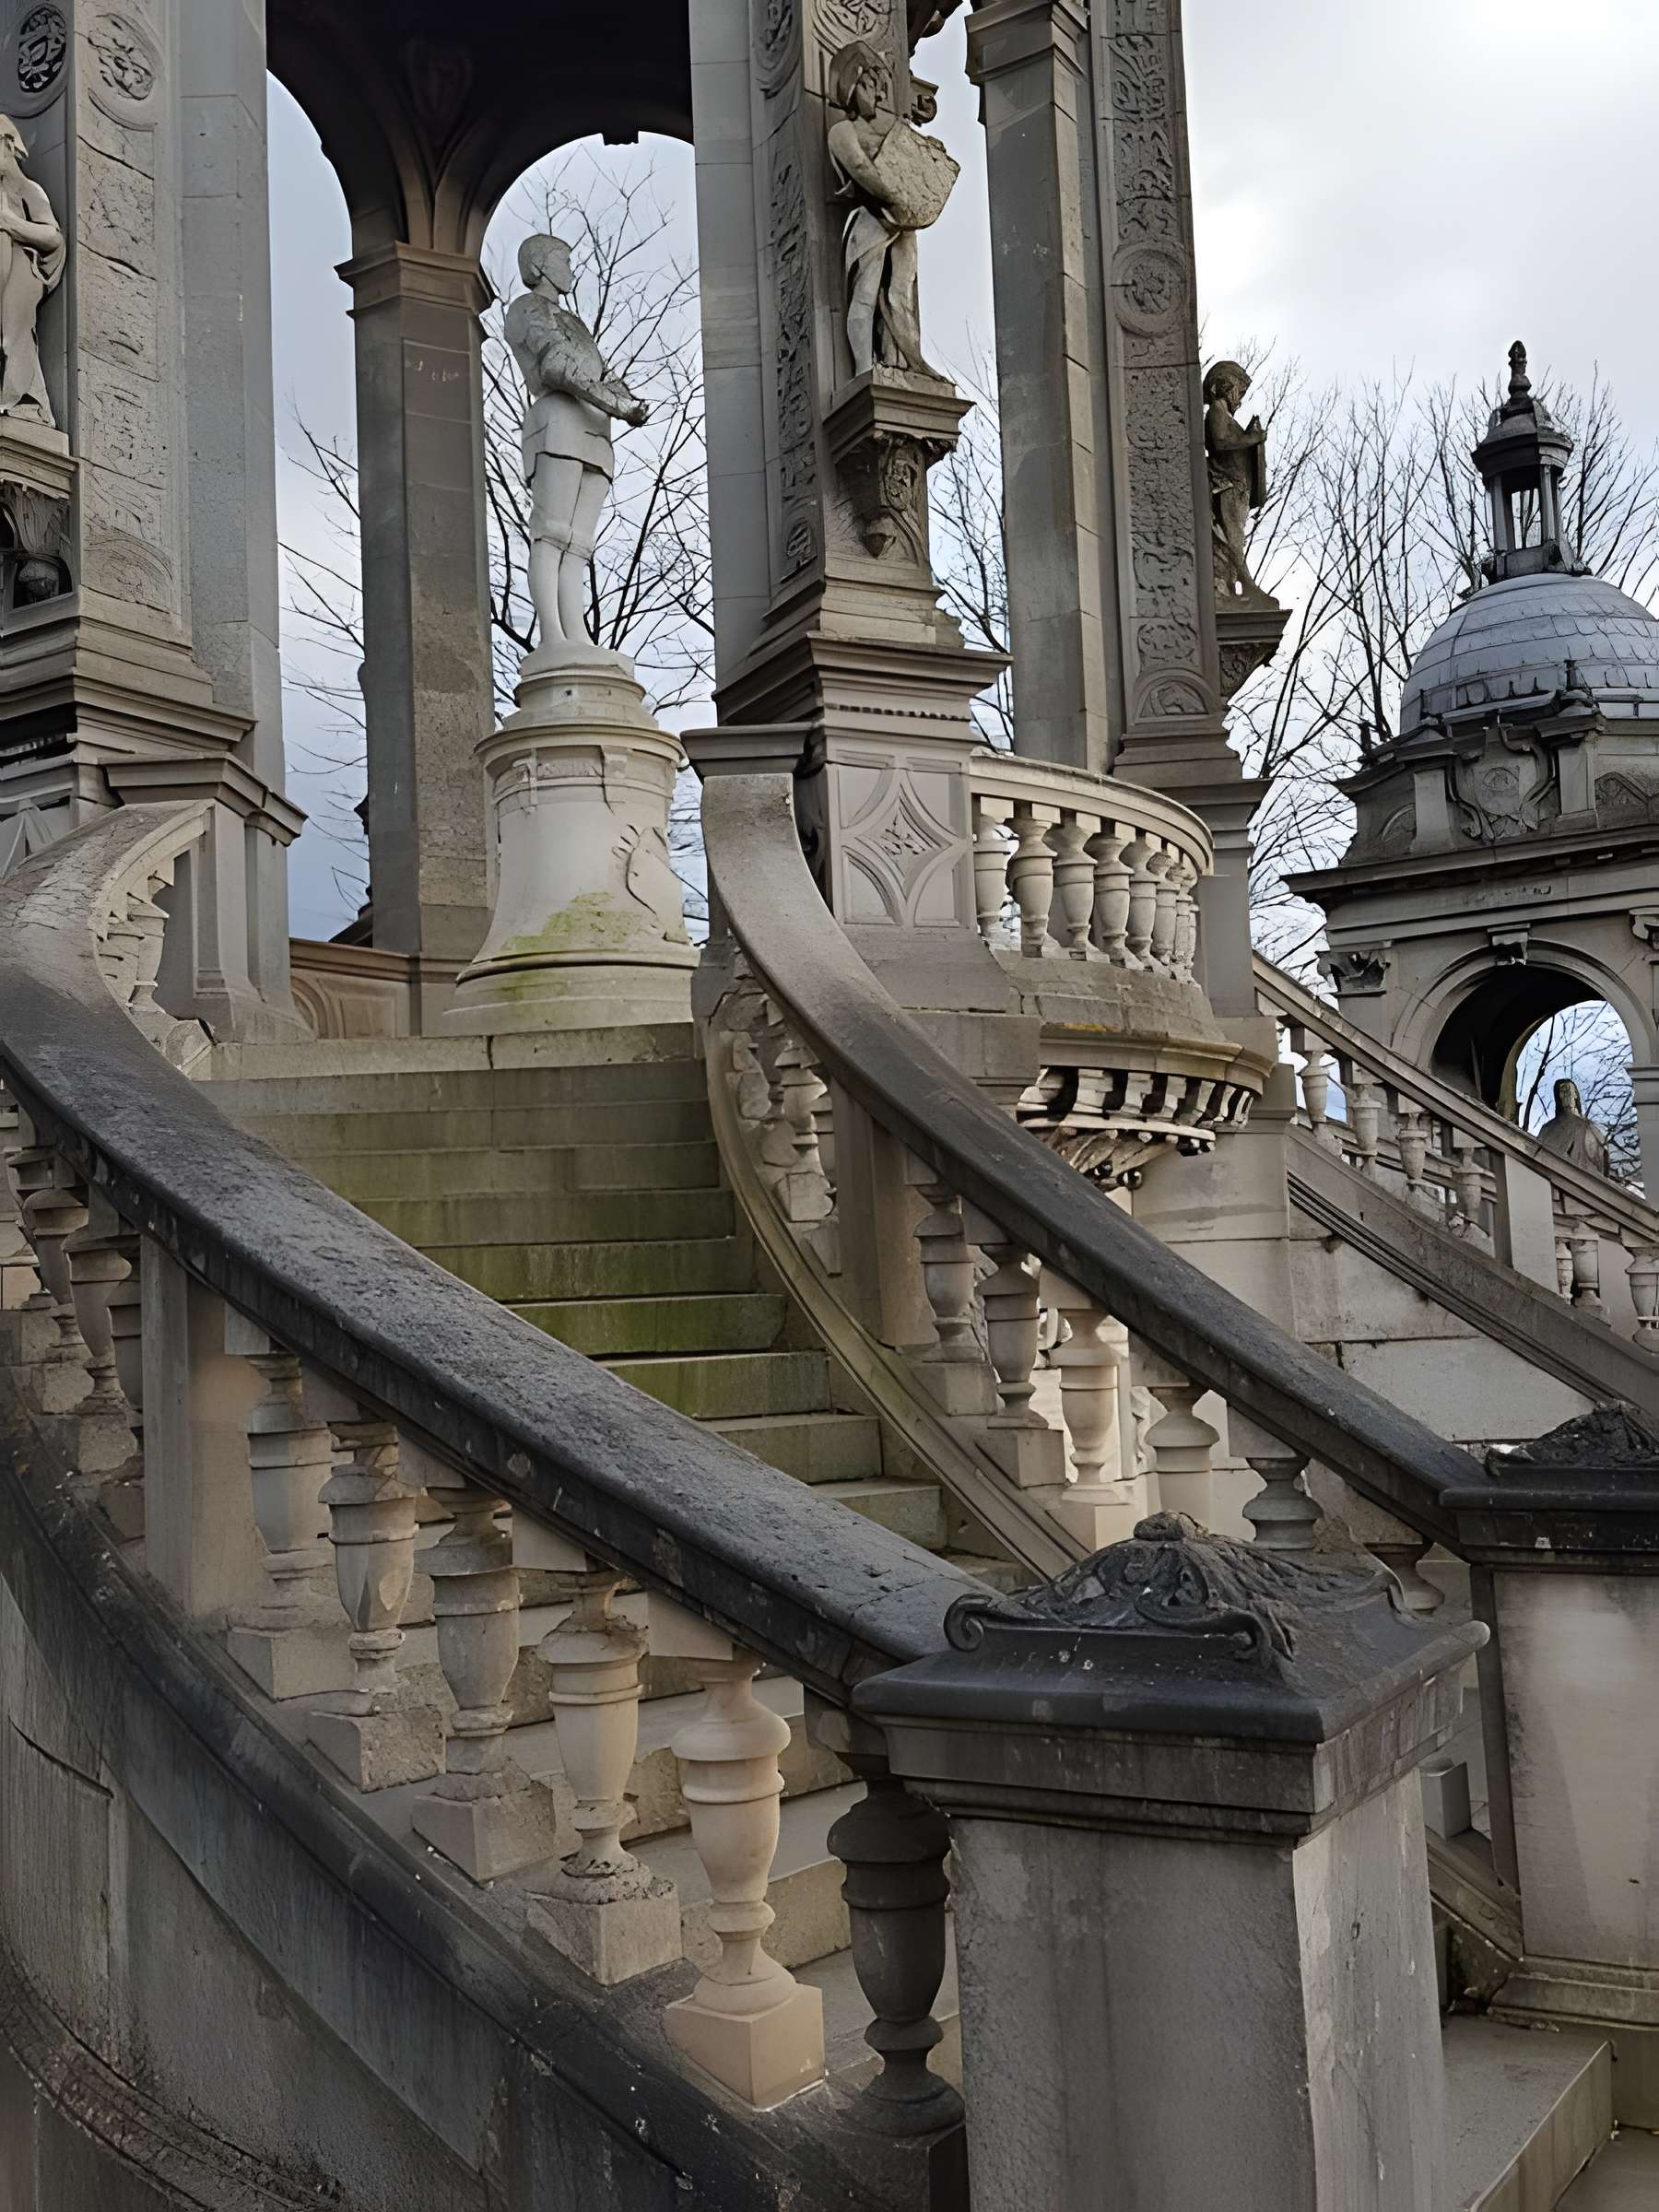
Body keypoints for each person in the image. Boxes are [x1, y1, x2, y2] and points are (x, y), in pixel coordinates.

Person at [503, 234, 648, 653]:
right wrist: (616, 404)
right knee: (551, 532)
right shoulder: (526, 309)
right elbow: (554, 365)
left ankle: (577, 635)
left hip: (595, 430)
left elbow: (599, 374)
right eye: (563, 260)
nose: (571, 269)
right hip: (558, 423)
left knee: (580, 542)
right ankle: (552, 635)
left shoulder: (576, 322)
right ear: (542, 265)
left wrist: (626, 400)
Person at [827, 42, 950, 381]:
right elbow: (861, 170)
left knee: (902, 294)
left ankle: (907, 362)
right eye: (872, 85)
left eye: (881, 87)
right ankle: (865, 370)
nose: (879, 96)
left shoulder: (891, 126)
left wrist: (931, 156)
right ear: (853, 85)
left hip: (904, 221)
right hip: (871, 217)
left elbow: (913, 163)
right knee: (865, 295)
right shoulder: (843, 131)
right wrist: (896, 197)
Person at [0, 115, 64, 425]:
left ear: (7, 146)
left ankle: (28, 400)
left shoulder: (27, 189)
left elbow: (51, 236)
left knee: (14, 332)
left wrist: (11, 223)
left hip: (22, 271)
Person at [1204, 359, 1270, 605]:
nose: (1239, 399)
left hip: (1237, 489)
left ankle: (1231, 587)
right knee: (1233, 539)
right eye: (1238, 391)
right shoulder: (1216, 412)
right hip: (1226, 486)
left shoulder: (1223, 413)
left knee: (1235, 538)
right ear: (1222, 386)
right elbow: (1221, 442)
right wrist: (1251, 439)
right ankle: (1249, 586)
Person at [1536, 1077, 1610, 1178]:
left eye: (1568, 1090)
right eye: (1562, 1091)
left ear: (1575, 1094)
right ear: (1558, 1096)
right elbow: (1538, 1157)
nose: (1565, 1094)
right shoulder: (1548, 1129)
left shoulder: (1588, 1127)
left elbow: (1600, 1161)